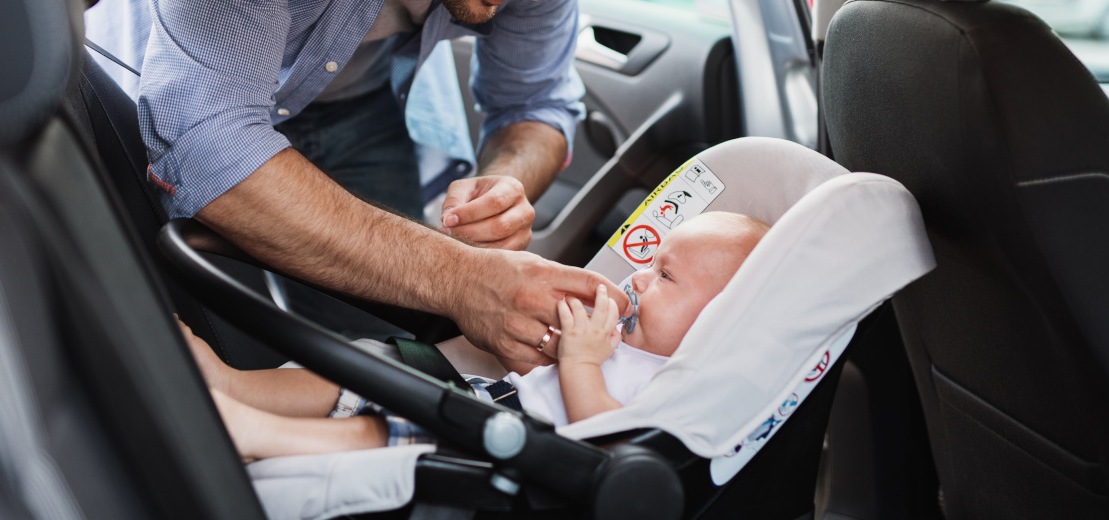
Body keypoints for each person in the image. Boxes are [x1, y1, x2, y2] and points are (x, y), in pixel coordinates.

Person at [85, 0, 643, 362]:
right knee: (190, 353)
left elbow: (536, 103)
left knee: (397, 355)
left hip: (354, 107)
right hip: (155, 108)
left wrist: (503, 186)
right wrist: (460, 277)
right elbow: (207, 142)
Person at [180, 212, 771, 461]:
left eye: (664, 275)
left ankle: (260, 435)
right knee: (371, 365)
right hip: (482, 396)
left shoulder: (675, 383)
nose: (640, 276)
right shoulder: (628, 338)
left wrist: (582, 361)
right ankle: (233, 384)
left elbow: (606, 435)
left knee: (381, 430)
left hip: (513, 447)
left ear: (719, 320)